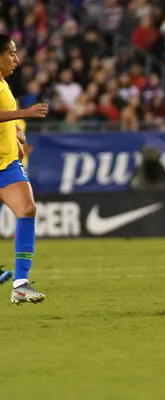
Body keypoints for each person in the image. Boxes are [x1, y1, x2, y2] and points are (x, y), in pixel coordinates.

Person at [0, 34, 49, 302]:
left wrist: (16, 135)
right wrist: (24, 114)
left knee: (27, 209)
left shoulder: (4, 85)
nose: (16, 59)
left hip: (6, 164)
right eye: (11, 54)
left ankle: (20, 284)